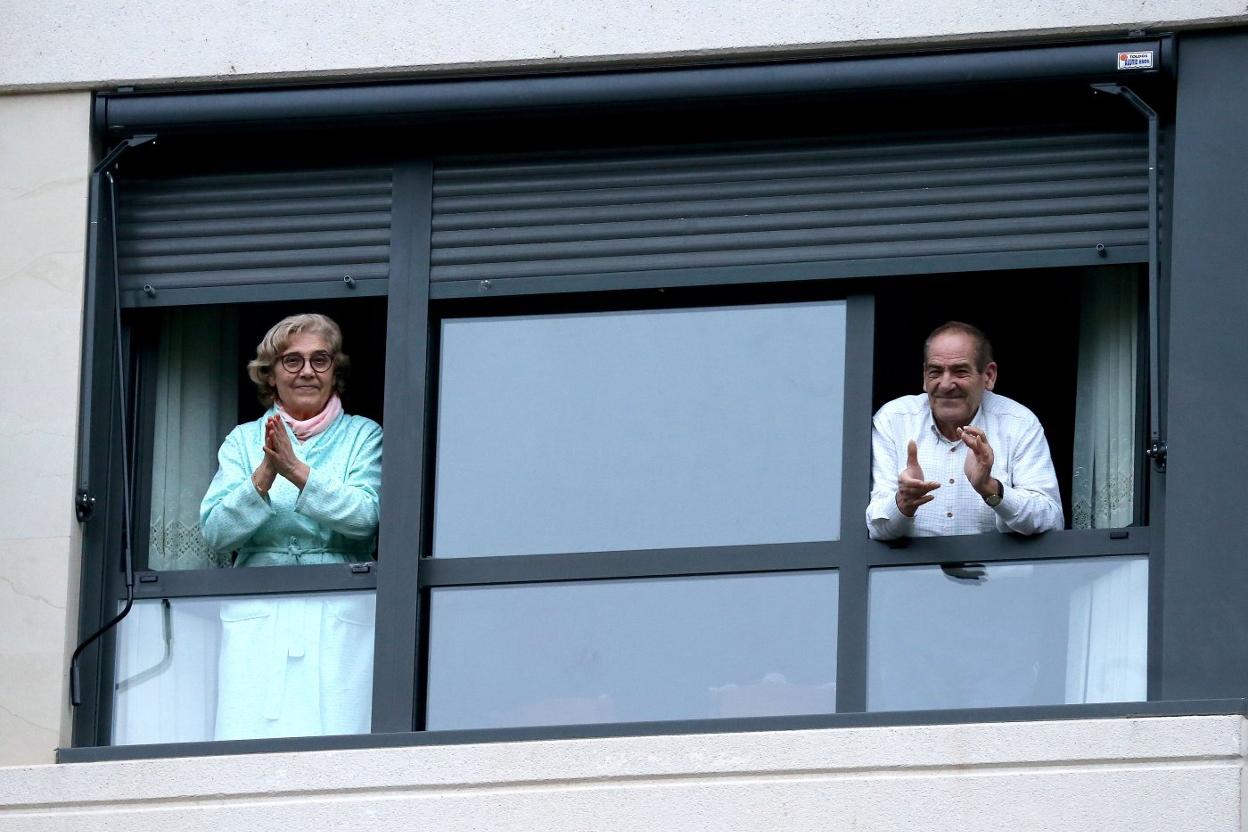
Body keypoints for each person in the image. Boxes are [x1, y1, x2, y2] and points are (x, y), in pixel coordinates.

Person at [200, 313, 382, 739]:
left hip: (338, 607)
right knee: (248, 741)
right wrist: (265, 471)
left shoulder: (362, 435)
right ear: (271, 373)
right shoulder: (244, 441)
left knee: (338, 738)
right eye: (292, 361)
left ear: (336, 371)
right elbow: (215, 532)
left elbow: (366, 516)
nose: (306, 372)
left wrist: (297, 471)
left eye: (320, 360)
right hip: (259, 609)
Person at [866, 321, 1062, 540]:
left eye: (960, 371)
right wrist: (903, 503)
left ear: (988, 376)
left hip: (998, 573)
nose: (946, 384)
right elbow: (876, 529)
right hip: (910, 573)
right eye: (935, 372)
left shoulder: (1019, 423)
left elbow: (1051, 521)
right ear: (924, 376)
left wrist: (991, 489)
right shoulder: (894, 420)